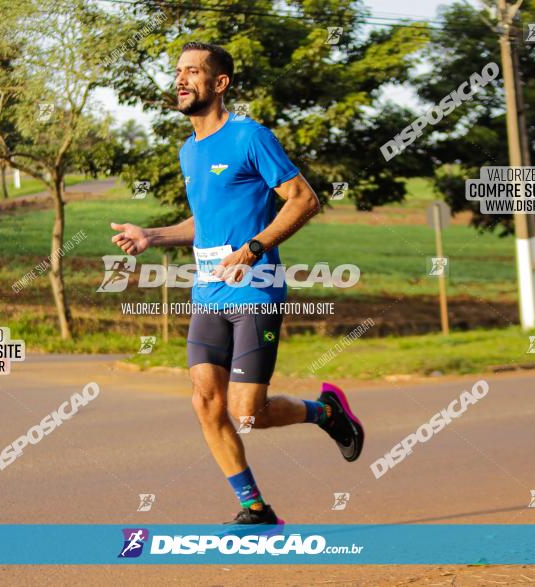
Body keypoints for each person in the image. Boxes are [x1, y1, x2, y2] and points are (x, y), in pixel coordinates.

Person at [109, 42, 364, 525]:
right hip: (207, 294)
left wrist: (254, 248)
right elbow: (203, 223)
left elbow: (303, 200)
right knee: (206, 403)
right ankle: (255, 507)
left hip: (255, 289)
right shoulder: (190, 150)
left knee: (248, 413)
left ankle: (328, 413)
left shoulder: (250, 137)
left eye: (194, 72)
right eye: (178, 72)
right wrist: (153, 234)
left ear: (219, 84)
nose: (181, 80)